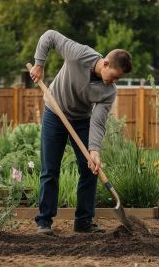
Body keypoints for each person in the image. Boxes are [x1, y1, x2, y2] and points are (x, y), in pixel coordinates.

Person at [30, 29, 133, 235]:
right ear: (105, 64)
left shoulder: (108, 92)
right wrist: (39, 63)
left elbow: (98, 121)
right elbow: (49, 36)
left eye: (117, 80)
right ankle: (44, 222)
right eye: (112, 77)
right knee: (50, 169)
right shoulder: (79, 53)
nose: (112, 82)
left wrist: (94, 150)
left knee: (90, 169)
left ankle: (83, 221)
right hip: (54, 113)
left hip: (81, 121)